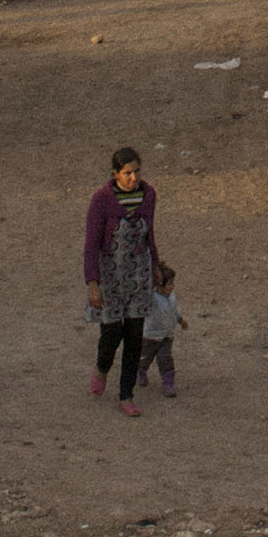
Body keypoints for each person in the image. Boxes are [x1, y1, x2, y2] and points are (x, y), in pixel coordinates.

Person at [83, 146, 162, 416]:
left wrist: (156, 266)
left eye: (137, 171)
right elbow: (91, 244)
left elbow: (149, 234)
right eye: (127, 173)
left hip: (139, 276)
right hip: (110, 278)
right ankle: (102, 367)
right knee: (112, 333)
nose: (133, 177)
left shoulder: (148, 195)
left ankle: (126, 395)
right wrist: (92, 282)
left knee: (134, 336)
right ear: (116, 174)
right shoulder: (102, 200)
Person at [139, 263, 187, 398]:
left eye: (172, 283)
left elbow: (174, 310)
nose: (172, 287)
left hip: (167, 335)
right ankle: (140, 370)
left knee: (165, 358)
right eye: (169, 284)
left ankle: (168, 383)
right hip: (150, 336)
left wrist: (180, 320)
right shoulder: (152, 298)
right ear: (159, 285)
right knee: (145, 357)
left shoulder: (172, 297)